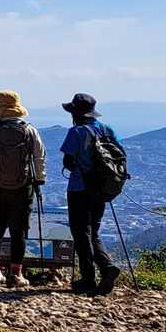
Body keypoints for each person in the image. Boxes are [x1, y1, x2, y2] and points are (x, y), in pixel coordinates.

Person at [0, 90, 47, 288]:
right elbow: (39, 157)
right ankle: (16, 274)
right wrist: (40, 179)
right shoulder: (30, 130)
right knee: (19, 231)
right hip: (23, 186)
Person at [59, 93, 122, 296]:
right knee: (93, 231)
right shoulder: (106, 129)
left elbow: (68, 161)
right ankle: (106, 268)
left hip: (80, 188)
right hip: (102, 189)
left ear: (76, 113)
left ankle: (88, 279)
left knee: (80, 232)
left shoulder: (76, 132)